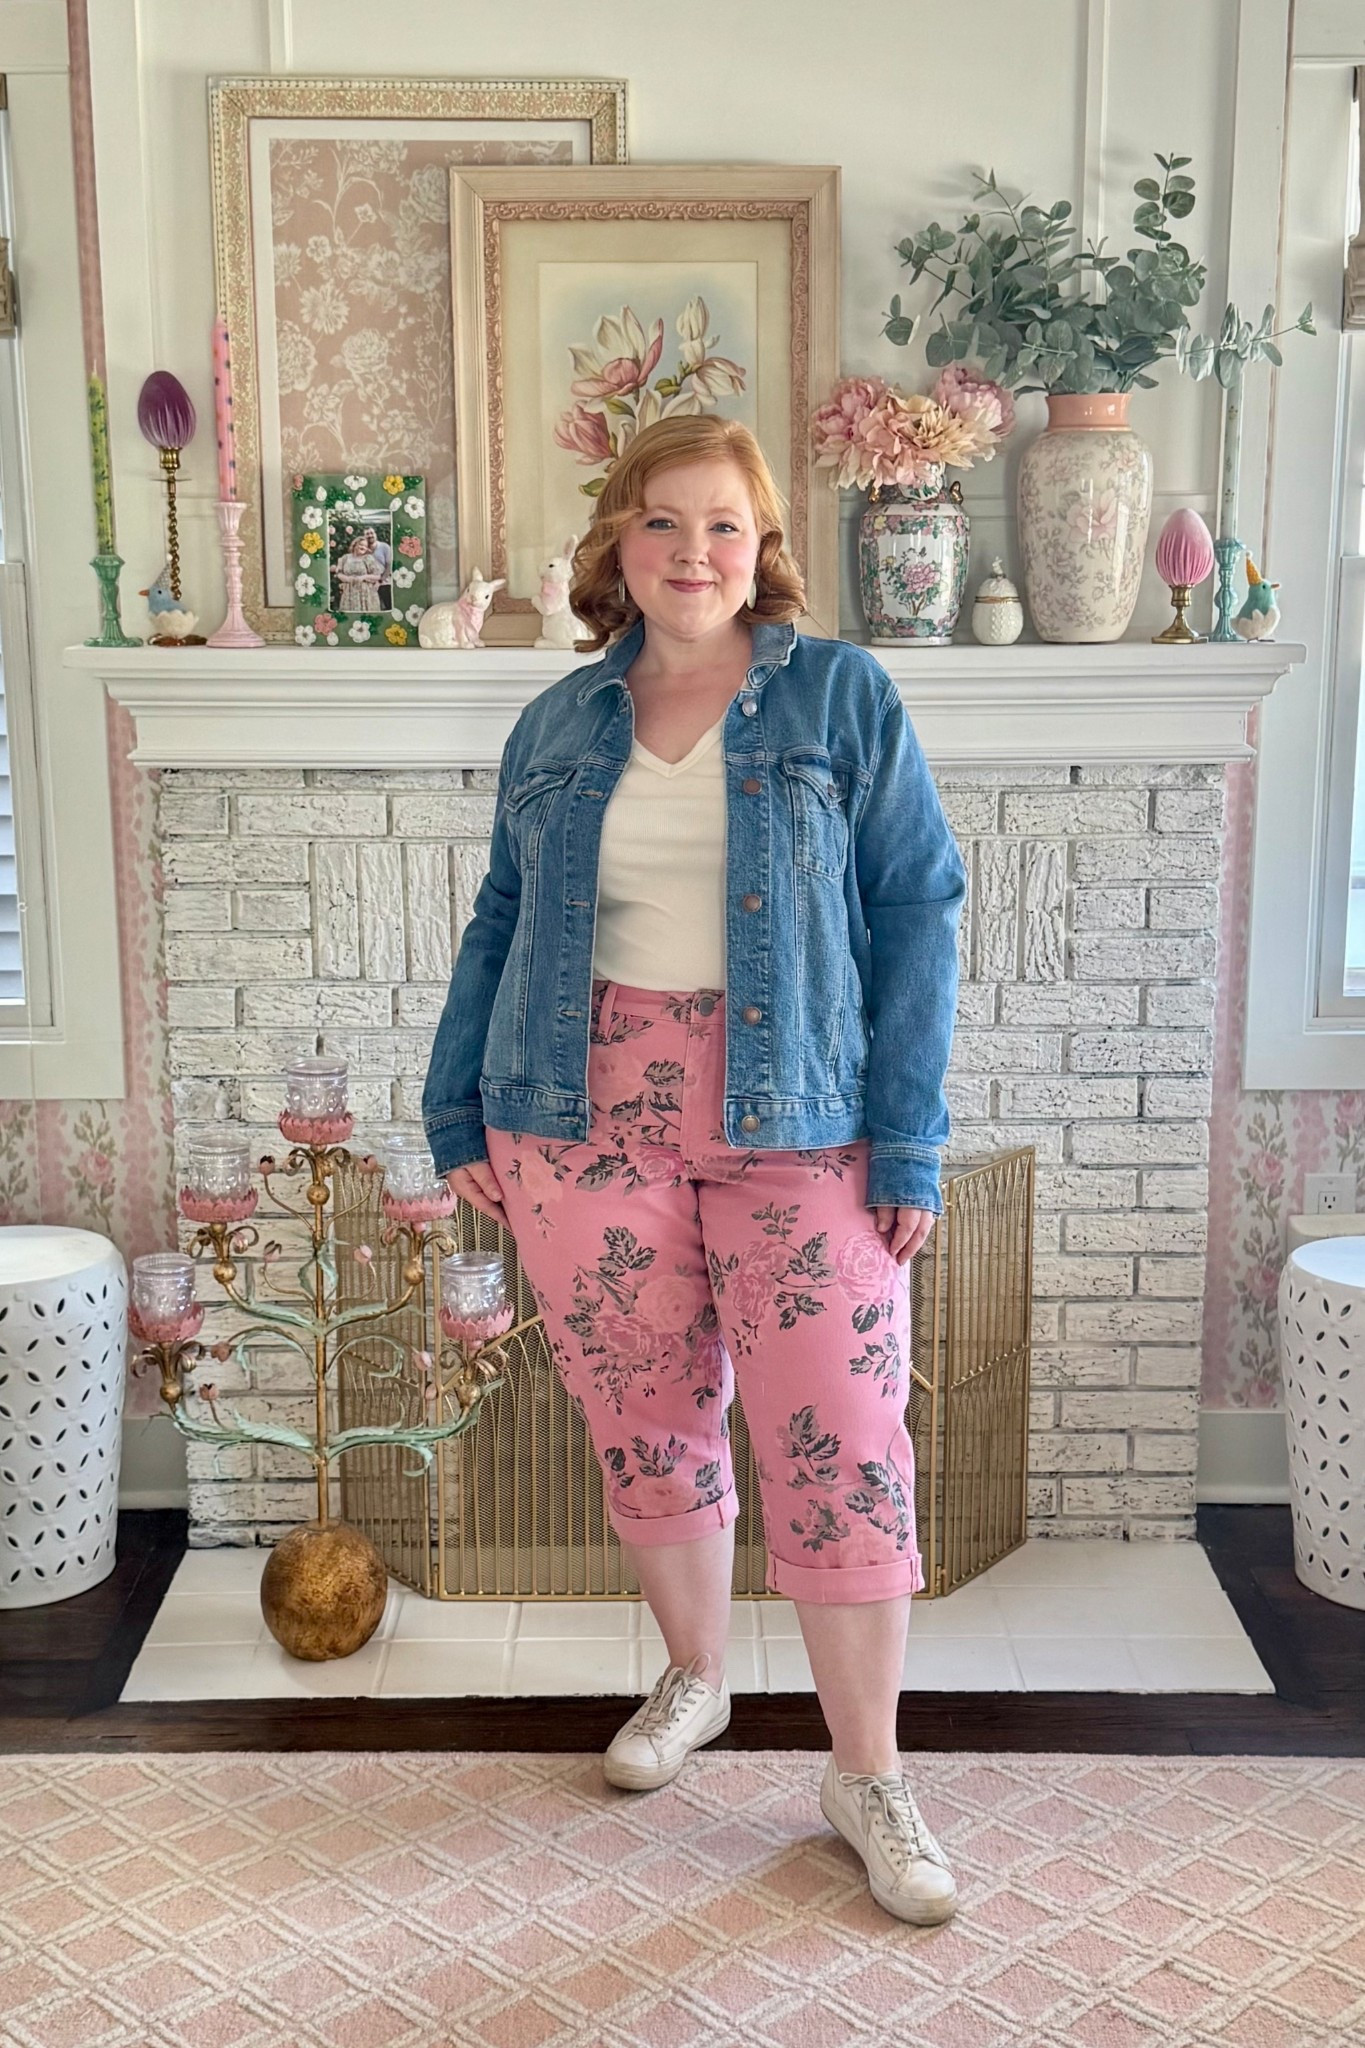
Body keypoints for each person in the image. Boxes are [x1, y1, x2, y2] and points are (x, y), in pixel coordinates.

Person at [421, 413, 966, 1926]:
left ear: (761, 542)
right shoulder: (559, 722)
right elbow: (499, 918)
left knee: (842, 1440)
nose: (691, 553)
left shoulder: (839, 695)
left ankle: (866, 1773)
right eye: (661, 524)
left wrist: (910, 1134)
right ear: (616, 544)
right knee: (648, 1419)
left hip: (803, 1122)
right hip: (576, 1117)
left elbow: (919, 909)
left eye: (722, 525)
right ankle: (695, 1679)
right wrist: (456, 1110)